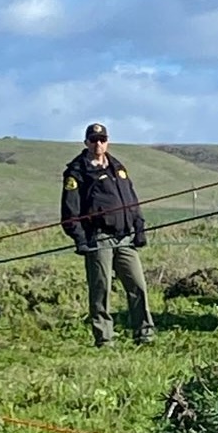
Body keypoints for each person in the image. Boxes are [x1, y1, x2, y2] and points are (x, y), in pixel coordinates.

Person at [61, 123, 155, 347]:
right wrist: (80, 239)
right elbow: (69, 211)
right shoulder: (77, 172)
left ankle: (144, 334)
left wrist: (139, 227)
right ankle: (104, 338)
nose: (98, 144)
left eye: (102, 139)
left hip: (124, 236)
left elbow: (132, 199)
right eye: (93, 140)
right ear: (86, 143)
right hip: (99, 237)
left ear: (107, 141)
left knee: (137, 286)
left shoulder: (118, 167)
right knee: (101, 289)